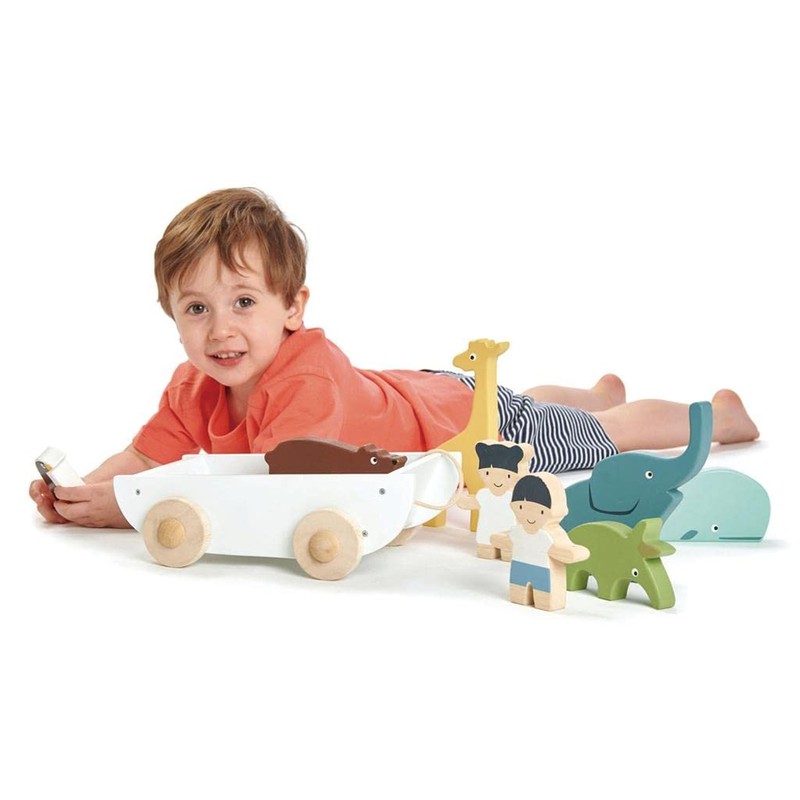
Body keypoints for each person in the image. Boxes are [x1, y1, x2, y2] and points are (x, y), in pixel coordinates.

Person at [29, 188, 760, 528]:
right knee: (535, 401)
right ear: (171, 315)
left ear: (293, 308)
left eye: (243, 301)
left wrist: (132, 509)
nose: (221, 329)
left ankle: (715, 416)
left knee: (597, 437)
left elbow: (266, 492)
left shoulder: (304, 384)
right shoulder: (193, 385)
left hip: (467, 425)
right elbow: (145, 453)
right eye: (197, 309)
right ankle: (591, 392)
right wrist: (85, 490)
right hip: (424, 388)